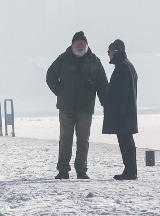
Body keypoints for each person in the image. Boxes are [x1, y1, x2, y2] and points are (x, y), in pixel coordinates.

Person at [46, 31, 108, 179]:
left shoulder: (94, 61)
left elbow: (102, 84)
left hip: (85, 108)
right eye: (77, 43)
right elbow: (50, 76)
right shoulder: (63, 59)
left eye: (82, 44)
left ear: (87, 45)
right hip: (66, 106)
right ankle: (63, 170)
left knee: (83, 140)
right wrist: (60, 91)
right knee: (65, 139)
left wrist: (106, 103)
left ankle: (81, 169)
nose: (80, 46)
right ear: (72, 44)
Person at [103, 39, 139, 180]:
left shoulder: (122, 67)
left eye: (109, 51)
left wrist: (118, 111)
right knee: (127, 140)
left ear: (116, 51)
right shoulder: (127, 66)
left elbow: (122, 92)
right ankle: (131, 170)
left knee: (125, 141)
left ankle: (130, 171)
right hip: (126, 111)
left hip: (122, 112)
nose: (108, 54)